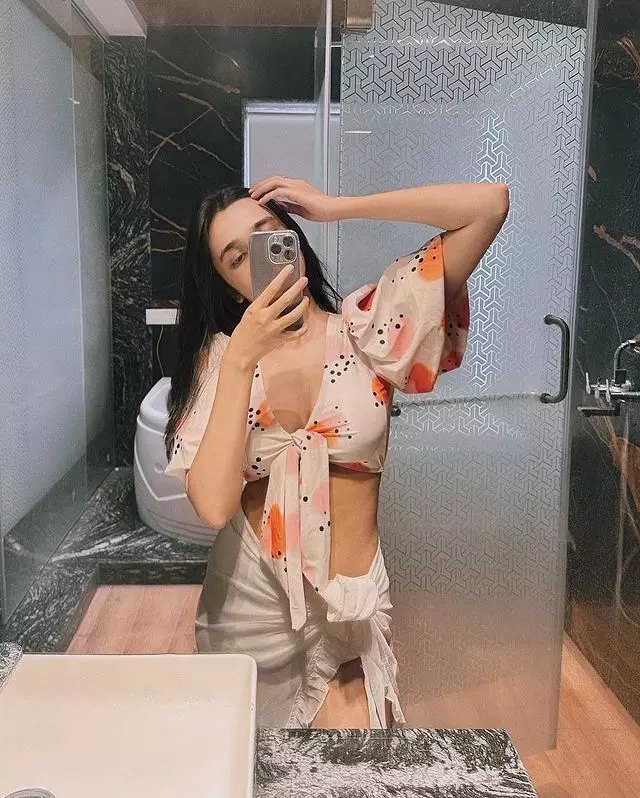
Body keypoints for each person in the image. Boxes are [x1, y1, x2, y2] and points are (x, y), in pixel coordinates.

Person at [164, 177, 509, 728]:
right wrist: (241, 360)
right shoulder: (220, 362)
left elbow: (487, 206)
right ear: (229, 287)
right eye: (238, 257)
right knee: (249, 768)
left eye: (268, 233)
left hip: (348, 606)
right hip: (249, 607)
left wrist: (336, 206)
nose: (261, 255)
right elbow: (211, 506)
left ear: (293, 238)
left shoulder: (368, 329)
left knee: (358, 763)